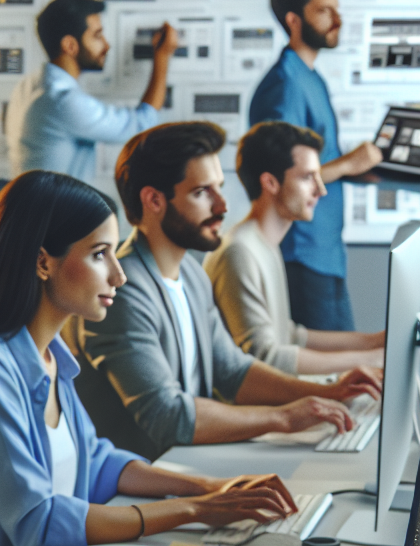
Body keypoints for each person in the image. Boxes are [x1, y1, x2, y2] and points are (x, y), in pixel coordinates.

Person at [0, 170, 298, 546]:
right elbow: (37, 520)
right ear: (43, 261)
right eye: (101, 254)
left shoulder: (52, 357)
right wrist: (195, 510)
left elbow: (98, 462)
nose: (119, 275)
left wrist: (208, 487)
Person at [70, 121, 383, 460]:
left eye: (219, 188)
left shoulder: (190, 273)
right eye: (202, 192)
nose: (222, 206)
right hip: (145, 484)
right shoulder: (124, 291)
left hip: (190, 463)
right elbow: (168, 416)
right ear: (154, 200)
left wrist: (330, 393)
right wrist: (284, 417)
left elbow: (232, 371)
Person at [204, 121, 385, 376]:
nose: (320, 190)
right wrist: (371, 359)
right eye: (307, 177)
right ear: (270, 183)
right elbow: (266, 358)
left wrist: (375, 342)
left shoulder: (264, 244)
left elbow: (288, 335)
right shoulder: (239, 252)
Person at [250, 0, 383, 331]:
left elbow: (321, 165)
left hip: (327, 252)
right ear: (294, 20)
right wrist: (349, 162)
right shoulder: (285, 84)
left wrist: (361, 169)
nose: (337, 19)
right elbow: (282, 179)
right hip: (302, 252)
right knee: (328, 377)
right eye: (324, 10)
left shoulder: (312, 78)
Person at [5, 0, 176, 182]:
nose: (106, 45)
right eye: (97, 36)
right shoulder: (62, 101)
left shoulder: (27, 87)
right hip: (58, 209)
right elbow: (142, 123)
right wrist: (163, 56)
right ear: (70, 45)